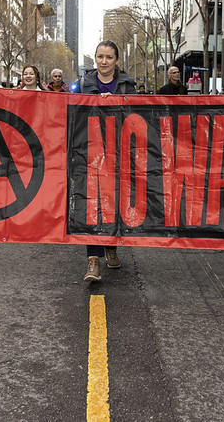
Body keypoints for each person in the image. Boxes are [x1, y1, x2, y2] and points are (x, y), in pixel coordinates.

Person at [79, 40, 136, 282]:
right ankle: (93, 260)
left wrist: (117, 103)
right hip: (90, 154)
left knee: (114, 201)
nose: (104, 61)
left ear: (117, 61)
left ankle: (111, 245)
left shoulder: (127, 85)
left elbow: (136, 115)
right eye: (100, 56)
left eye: (109, 57)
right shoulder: (83, 84)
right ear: (95, 58)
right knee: (92, 206)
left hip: (118, 154)